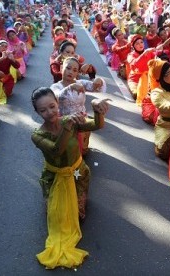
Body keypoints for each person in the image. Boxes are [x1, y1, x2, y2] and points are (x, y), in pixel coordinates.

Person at [31, 87, 109, 269]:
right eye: (43, 110)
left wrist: (97, 109)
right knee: (57, 219)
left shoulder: (70, 121)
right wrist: (67, 127)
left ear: (57, 103)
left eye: (52, 106)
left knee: (78, 215)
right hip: (55, 176)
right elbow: (56, 151)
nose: (49, 112)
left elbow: (97, 125)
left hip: (78, 173)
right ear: (37, 112)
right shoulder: (37, 135)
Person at [50, 57, 106, 155]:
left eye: (75, 70)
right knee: (66, 150)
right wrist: (70, 88)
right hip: (65, 121)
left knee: (82, 150)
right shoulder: (55, 86)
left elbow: (94, 86)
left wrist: (99, 81)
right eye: (68, 68)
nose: (71, 72)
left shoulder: (80, 83)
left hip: (81, 118)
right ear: (62, 68)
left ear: (77, 73)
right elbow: (57, 96)